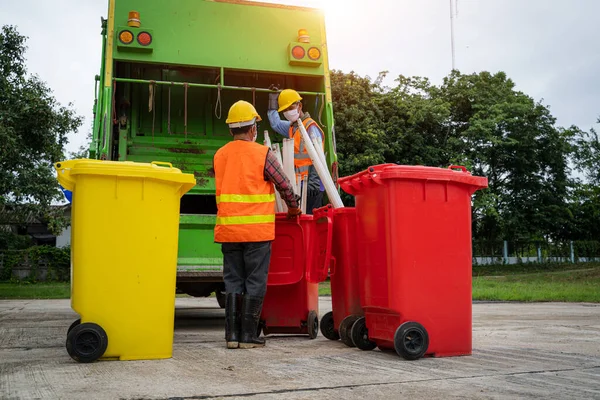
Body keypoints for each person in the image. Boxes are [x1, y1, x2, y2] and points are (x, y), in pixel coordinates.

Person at [213, 100, 301, 350]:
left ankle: (232, 337)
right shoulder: (263, 154)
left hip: (229, 231)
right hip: (257, 232)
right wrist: (293, 207)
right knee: (254, 281)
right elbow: (284, 184)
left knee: (232, 281)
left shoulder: (220, 155)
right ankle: (249, 336)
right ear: (253, 129)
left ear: (231, 130)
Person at [268, 88, 325, 214]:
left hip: (312, 187)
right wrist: (272, 100)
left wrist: (314, 182)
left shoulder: (310, 127)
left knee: (309, 225)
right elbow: (275, 124)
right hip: (299, 185)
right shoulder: (292, 127)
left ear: (299, 106)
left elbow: (319, 156)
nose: (288, 112)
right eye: (285, 110)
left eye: (290, 108)